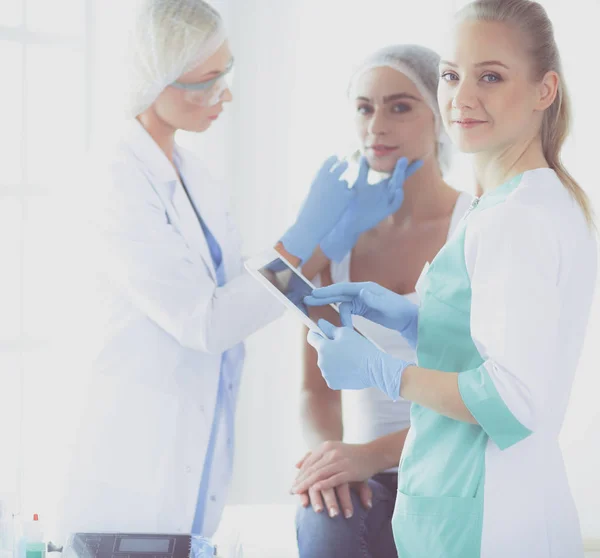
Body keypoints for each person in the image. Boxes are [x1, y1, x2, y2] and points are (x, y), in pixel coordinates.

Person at [55, 0, 422, 542]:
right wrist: (299, 238)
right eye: (209, 80)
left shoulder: (194, 175)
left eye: (228, 70)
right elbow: (206, 322)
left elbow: (238, 296)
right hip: (129, 464)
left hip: (190, 452)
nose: (226, 93)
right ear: (157, 82)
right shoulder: (116, 179)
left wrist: (328, 242)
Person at [295, 0, 597, 556]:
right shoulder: (521, 203)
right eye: (453, 75)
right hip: (478, 504)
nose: (463, 96)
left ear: (544, 90)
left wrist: (387, 373)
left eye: (490, 76)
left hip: (486, 518)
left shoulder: (516, 217)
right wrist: (417, 321)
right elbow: (494, 346)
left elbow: (513, 396)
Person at [294, 45, 472, 558]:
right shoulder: (338, 243)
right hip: (366, 478)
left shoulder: (475, 228)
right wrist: (329, 461)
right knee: (322, 516)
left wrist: (368, 456)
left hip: (452, 472)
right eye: (364, 108)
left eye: (399, 106)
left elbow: (484, 395)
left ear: (440, 113)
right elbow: (316, 393)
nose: (377, 125)